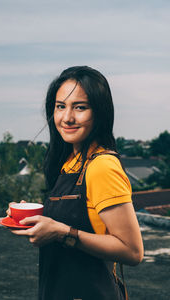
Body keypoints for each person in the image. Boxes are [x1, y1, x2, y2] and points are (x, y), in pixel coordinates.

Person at [8, 66, 144, 300]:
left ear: (99, 112)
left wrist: (62, 232)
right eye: (61, 106)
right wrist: (32, 218)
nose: (67, 117)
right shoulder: (70, 162)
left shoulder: (102, 166)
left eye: (80, 107)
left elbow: (132, 251)